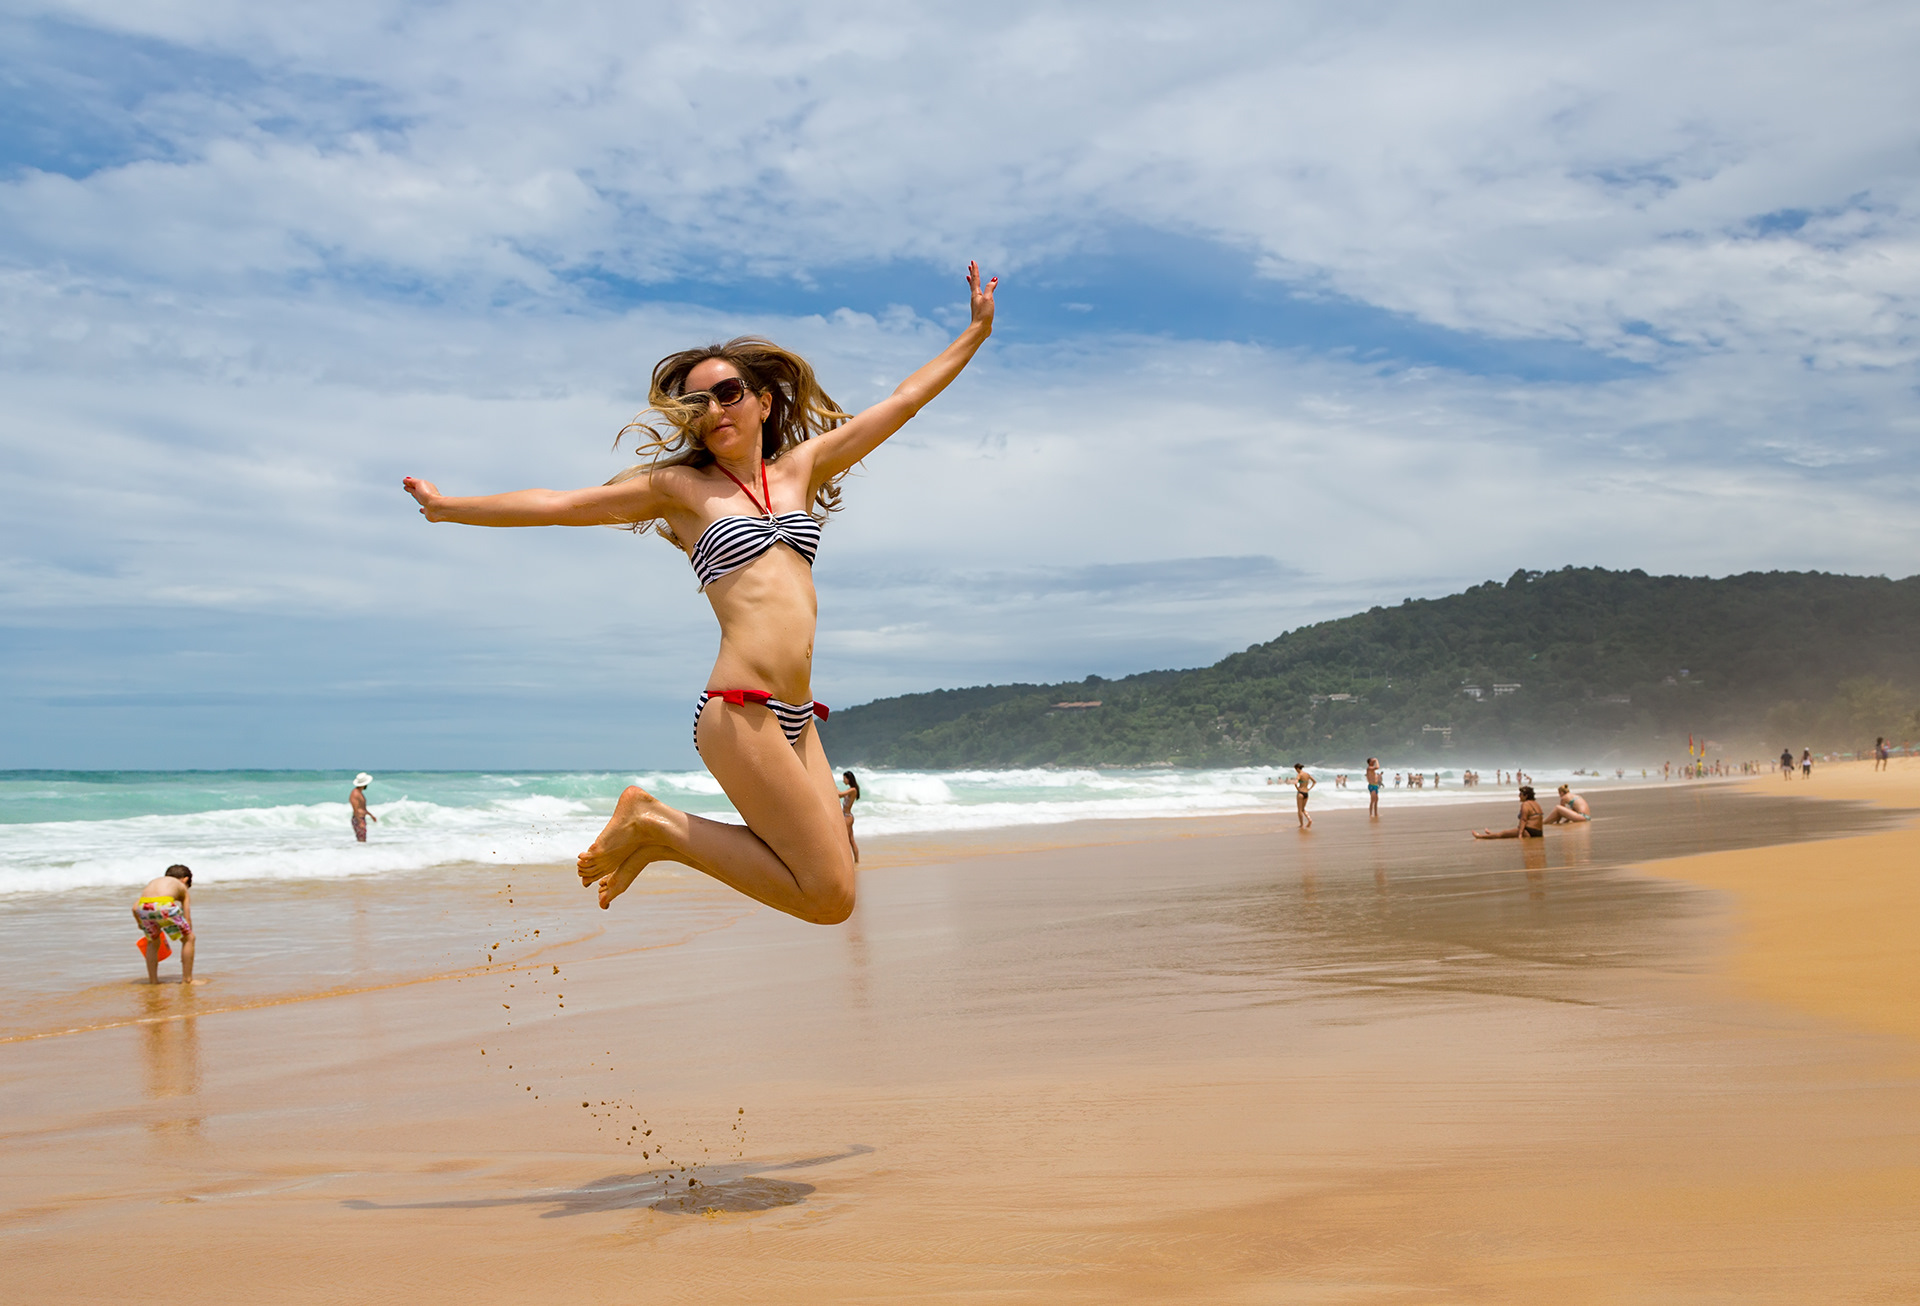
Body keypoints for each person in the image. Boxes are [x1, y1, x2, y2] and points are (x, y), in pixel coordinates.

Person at [403, 264, 998, 925]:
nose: (714, 410)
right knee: (826, 900)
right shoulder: (680, 491)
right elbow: (561, 503)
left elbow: (903, 400)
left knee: (839, 890)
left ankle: (661, 833)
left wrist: (974, 332)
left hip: (798, 718)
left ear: (763, 402)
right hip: (739, 710)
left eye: (728, 393)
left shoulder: (799, 470)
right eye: (697, 403)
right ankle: (656, 825)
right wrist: (448, 508)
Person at [133, 864, 195, 985]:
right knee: (189, 939)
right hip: (165, 906)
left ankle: (153, 981)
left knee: (152, 941)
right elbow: (187, 917)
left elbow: (135, 908)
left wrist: (140, 924)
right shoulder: (181, 886)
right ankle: (187, 980)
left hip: (144, 907)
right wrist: (188, 932)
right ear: (185, 879)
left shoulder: (154, 882)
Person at [1473, 786, 1544, 840]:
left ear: (1526, 796)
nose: (1519, 796)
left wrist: (1520, 834)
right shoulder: (1536, 804)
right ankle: (1492, 834)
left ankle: (1480, 836)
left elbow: (1523, 819)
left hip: (1528, 832)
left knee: (1502, 834)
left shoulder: (1525, 804)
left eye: (1520, 794)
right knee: (1505, 833)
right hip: (1539, 832)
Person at [837, 770, 861, 864]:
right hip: (847, 816)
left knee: (846, 840)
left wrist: (833, 787)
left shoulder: (853, 790)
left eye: (844, 778)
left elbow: (839, 795)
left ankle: (848, 862)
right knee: (851, 840)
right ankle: (856, 861)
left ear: (848, 779)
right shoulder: (851, 790)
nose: (843, 781)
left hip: (847, 817)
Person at [349, 773, 378, 843]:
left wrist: (371, 815)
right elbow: (355, 809)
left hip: (361, 818)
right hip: (358, 819)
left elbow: (362, 808)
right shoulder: (355, 793)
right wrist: (359, 822)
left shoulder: (359, 792)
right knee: (361, 840)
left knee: (362, 840)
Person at [1291, 763, 1316, 829]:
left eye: (1296, 769)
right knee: (1303, 809)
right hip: (1306, 793)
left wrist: (1297, 789)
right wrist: (1309, 788)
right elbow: (1314, 781)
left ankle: (1301, 824)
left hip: (1300, 793)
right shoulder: (1307, 774)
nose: (1296, 771)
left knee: (1299, 810)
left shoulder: (1299, 775)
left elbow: (1295, 783)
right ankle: (1309, 819)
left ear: (1298, 768)